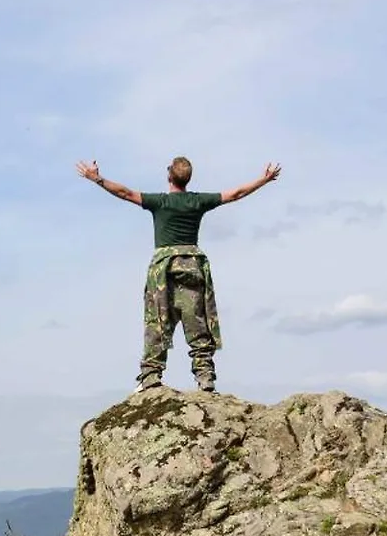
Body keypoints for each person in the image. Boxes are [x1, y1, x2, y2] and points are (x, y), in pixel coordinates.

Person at [76, 156, 281, 393]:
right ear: (187, 179)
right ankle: (205, 376)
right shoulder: (197, 201)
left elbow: (124, 193)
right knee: (197, 319)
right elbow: (235, 194)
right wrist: (264, 180)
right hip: (192, 265)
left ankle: (151, 376)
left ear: (169, 176)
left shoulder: (160, 202)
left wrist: (96, 178)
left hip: (164, 268)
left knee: (158, 320)